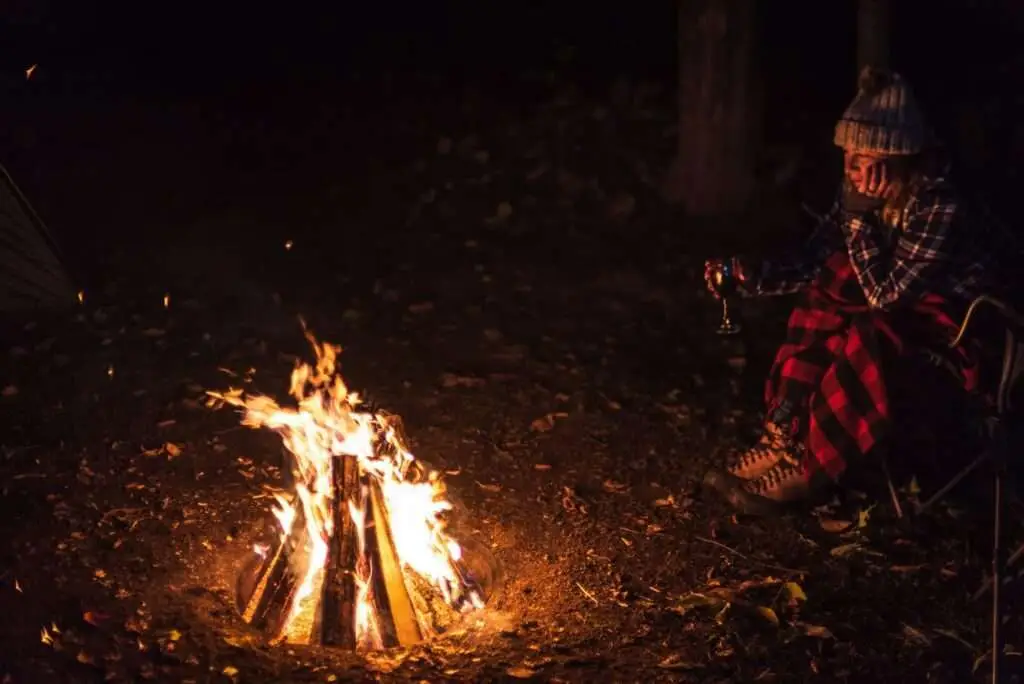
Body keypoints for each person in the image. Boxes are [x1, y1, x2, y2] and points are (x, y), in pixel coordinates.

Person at [702, 66, 1007, 516]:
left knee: (867, 330)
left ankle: (809, 462)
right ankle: (784, 434)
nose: (850, 169)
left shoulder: (937, 203)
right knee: (830, 289)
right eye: (847, 155)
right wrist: (755, 276)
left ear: (896, 159)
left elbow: (888, 296)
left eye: (861, 159)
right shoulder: (860, 192)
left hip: (954, 333)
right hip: (897, 310)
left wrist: (859, 220)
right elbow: (819, 259)